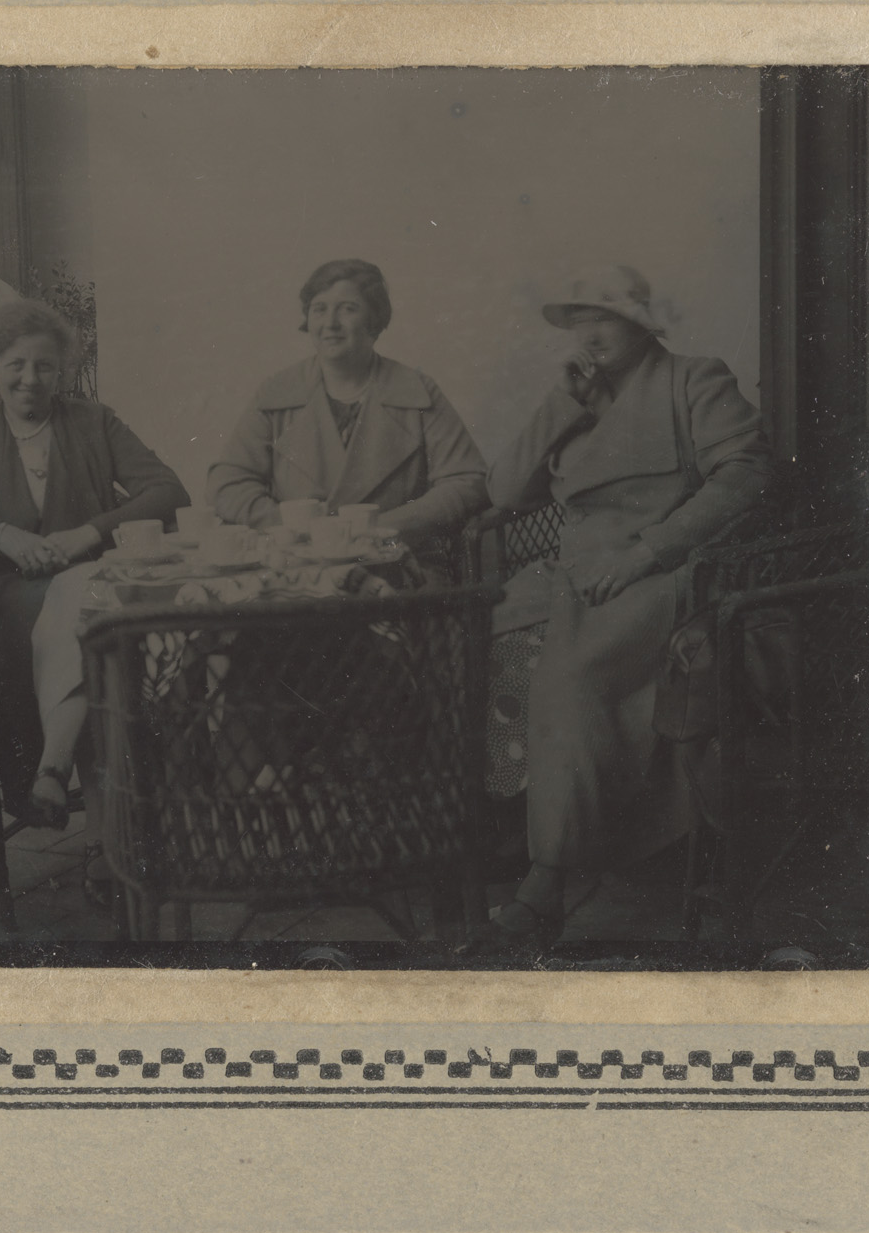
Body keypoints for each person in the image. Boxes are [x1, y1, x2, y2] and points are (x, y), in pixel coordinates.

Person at [483, 264, 775, 942]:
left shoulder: (694, 379)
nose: (590, 334)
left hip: (662, 573)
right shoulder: (578, 399)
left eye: (605, 318)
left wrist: (648, 552)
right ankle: (512, 838)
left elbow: (746, 474)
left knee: (571, 676)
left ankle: (547, 881)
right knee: (486, 645)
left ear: (641, 324)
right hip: (571, 575)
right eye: (579, 320)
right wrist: (561, 405)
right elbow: (504, 493)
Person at [0, 298, 188, 825]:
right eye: (15, 364)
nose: (30, 379)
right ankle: (108, 830)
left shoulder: (94, 421)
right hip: (5, 603)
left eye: (45, 366)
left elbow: (167, 490)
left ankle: (58, 774)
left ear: (62, 371)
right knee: (99, 632)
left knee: (90, 608)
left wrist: (90, 532)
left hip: (94, 588)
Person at [208, 258, 489, 555]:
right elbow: (227, 485)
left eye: (347, 309)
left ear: (374, 320)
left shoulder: (416, 392)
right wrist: (292, 528)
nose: (330, 323)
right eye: (319, 309)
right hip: (299, 560)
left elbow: (467, 481)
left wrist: (384, 528)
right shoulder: (277, 394)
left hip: (395, 558)